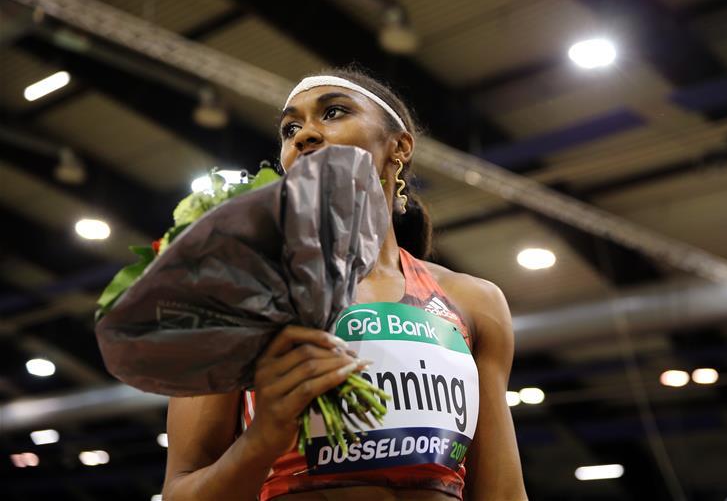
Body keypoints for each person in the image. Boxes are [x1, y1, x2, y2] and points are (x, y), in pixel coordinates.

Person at [162, 68, 527, 501]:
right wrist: (261, 441)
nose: (304, 136)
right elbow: (180, 490)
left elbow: (502, 494)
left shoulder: (474, 302)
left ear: (399, 147)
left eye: (333, 112)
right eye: (290, 128)